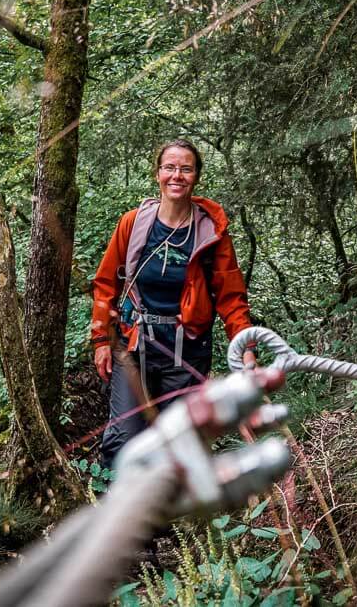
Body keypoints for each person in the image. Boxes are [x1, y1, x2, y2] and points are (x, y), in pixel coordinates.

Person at [90, 139, 258, 467]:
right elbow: (106, 283)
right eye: (169, 167)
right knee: (124, 438)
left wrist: (247, 346)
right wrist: (101, 339)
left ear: (196, 176)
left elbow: (231, 297)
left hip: (186, 350)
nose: (176, 175)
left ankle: (165, 515)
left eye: (185, 169)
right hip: (134, 345)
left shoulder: (211, 233)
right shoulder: (134, 223)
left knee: (177, 441)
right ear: (158, 174)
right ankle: (126, 509)